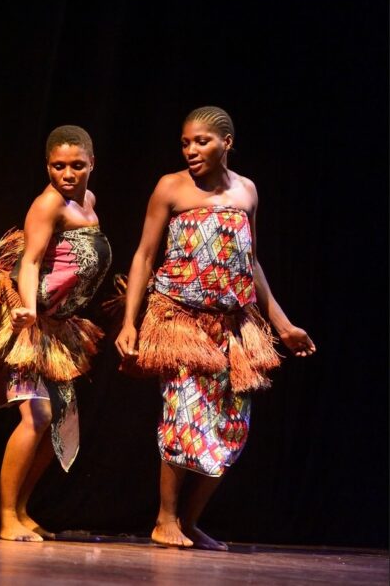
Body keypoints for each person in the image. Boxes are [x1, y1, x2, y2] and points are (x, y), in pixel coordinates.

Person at [114, 106, 316, 551]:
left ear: (227, 142)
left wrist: (283, 325)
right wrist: (129, 322)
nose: (190, 150)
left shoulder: (247, 191)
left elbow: (252, 262)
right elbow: (144, 256)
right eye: (185, 142)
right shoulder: (170, 187)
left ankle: (189, 521)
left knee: (232, 428)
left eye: (201, 141)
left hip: (233, 328)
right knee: (182, 416)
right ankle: (165, 519)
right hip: (180, 318)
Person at [0, 126, 111, 541]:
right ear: (47, 166)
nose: (67, 174)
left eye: (77, 165)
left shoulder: (89, 202)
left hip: (57, 329)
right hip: (27, 322)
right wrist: (28, 311)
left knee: (58, 425)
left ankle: (20, 508)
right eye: (58, 166)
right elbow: (32, 262)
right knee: (37, 415)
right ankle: (5, 515)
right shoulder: (47, 204)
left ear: (92, 164)